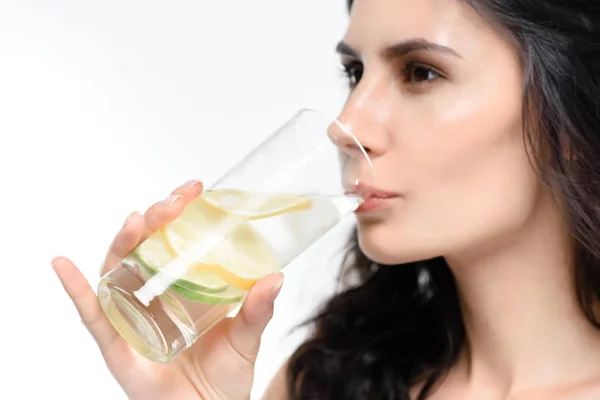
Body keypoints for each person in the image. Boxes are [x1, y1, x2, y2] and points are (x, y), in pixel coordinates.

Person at [52, 0, 600, 398]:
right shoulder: (328, 380)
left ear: (570, 118)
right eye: (355, 73)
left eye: (421, 72)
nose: (347, 125)